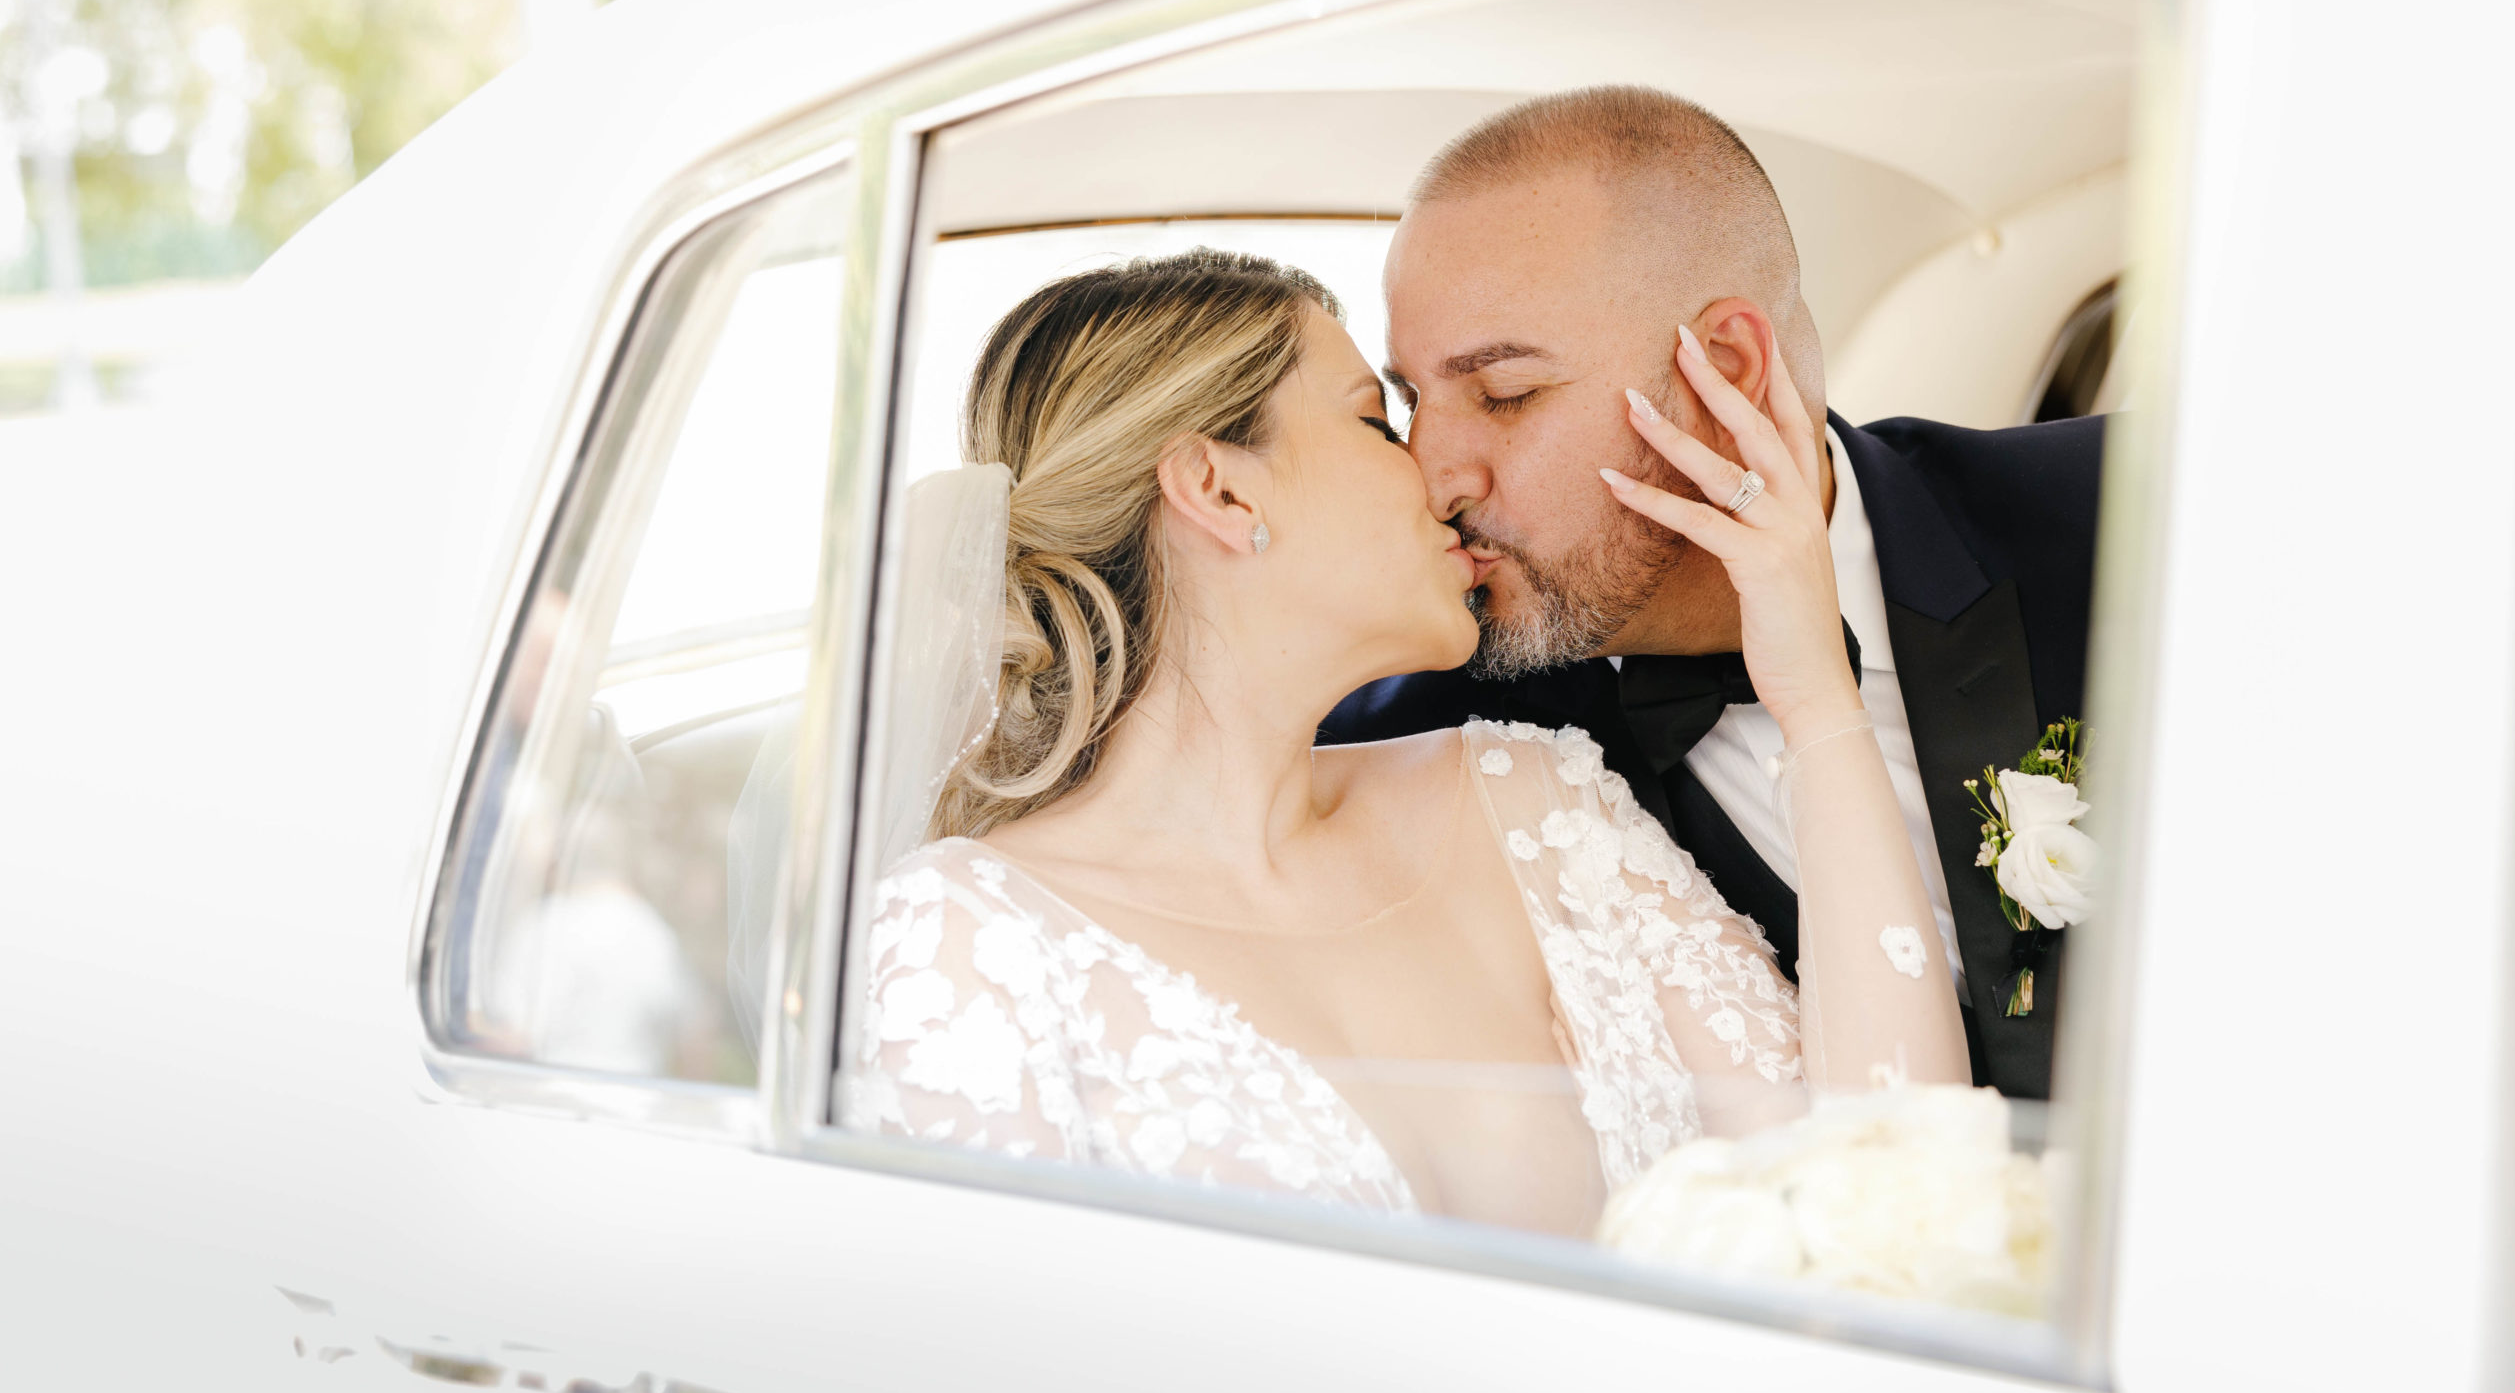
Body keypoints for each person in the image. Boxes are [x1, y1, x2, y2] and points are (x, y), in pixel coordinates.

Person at [847, 247, 1966, 1238]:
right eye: (1376, 422)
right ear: (1218, 489)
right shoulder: (969, 937)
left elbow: (1887, 1194)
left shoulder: (1535, 799)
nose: (1437, 476)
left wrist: (1817, 701)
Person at [1323, 86, 2104, 1100]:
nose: (1435, 475)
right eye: (1414, 400)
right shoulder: (1447, 746)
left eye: (1504, 394)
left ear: (1720, 370)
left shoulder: (2135, 519)